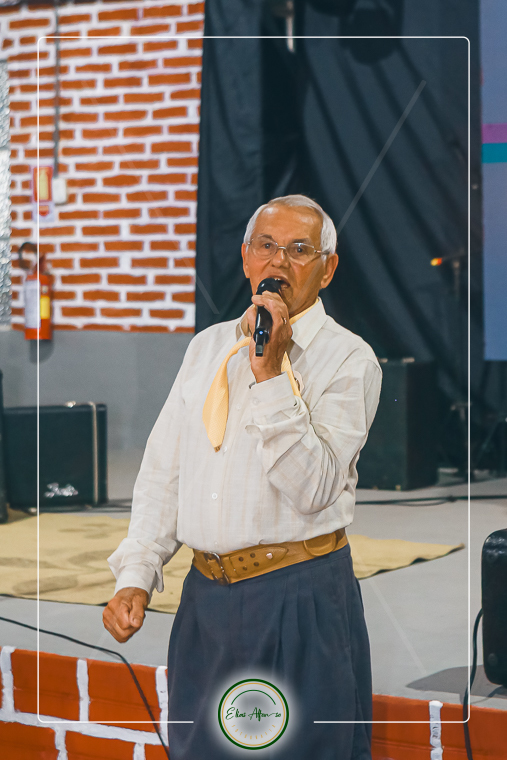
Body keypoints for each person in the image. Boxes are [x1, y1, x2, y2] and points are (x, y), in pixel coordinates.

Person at [103, 194, 382, 759]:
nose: (279, 261)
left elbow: (314, 489)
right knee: (199, 749)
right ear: (246, 257)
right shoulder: (207, 347)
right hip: (206, 599)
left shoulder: (349, 360)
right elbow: (164, 472)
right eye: (267, 246)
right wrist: (137, 573)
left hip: (296, 596)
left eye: (299, 249)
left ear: (327, 269)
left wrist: (271, 373)